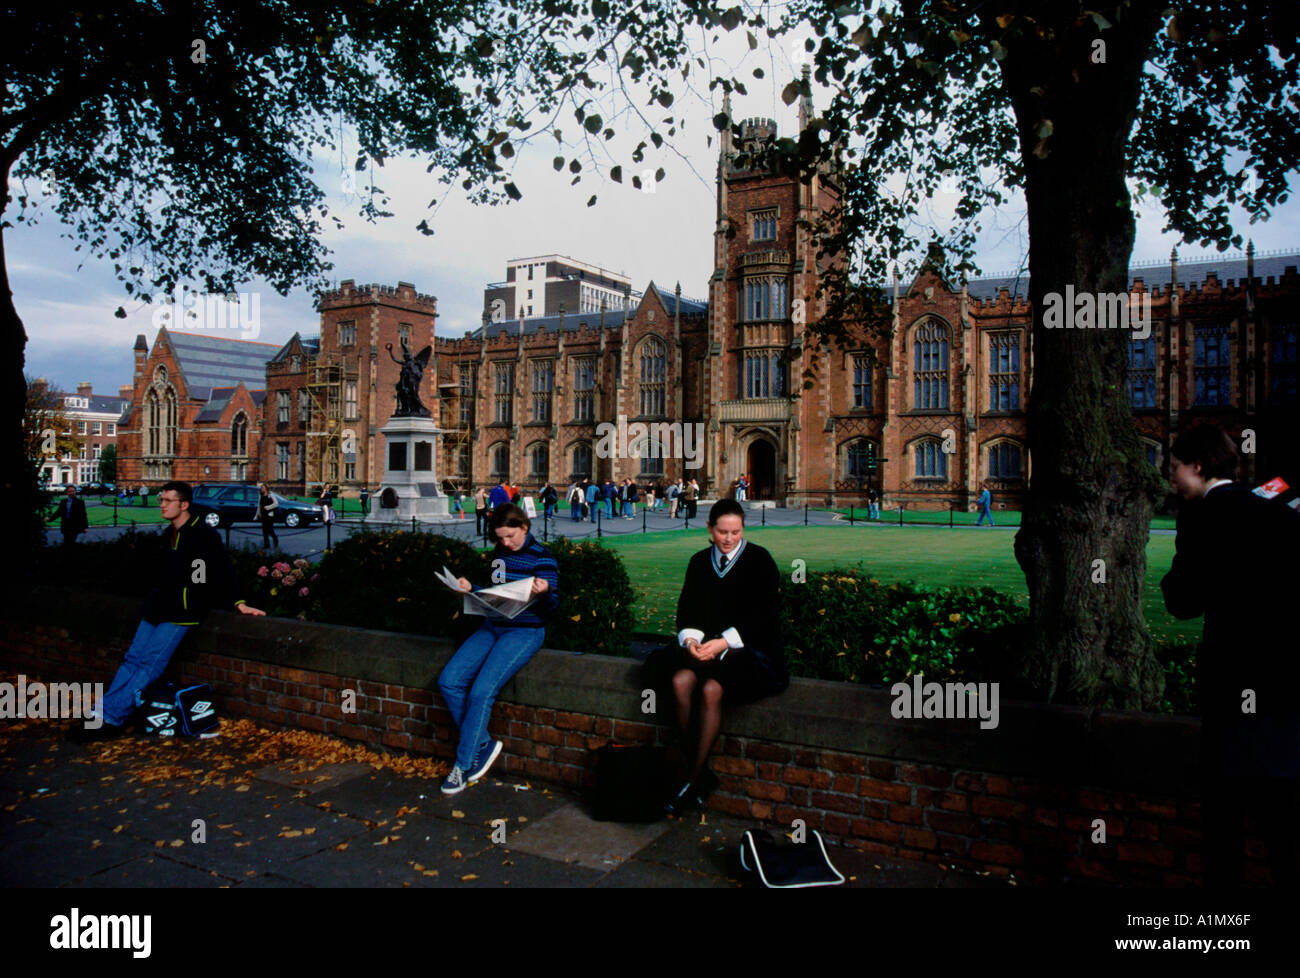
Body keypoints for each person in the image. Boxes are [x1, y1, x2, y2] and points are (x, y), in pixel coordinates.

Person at [1160, 425, 1300, 886]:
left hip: (1232, 687)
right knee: (1282, 821)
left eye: (1174, 468)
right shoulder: (1275, 511)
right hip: (1285, 687)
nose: (1171, 478)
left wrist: (1186, 537)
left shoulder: (1203, 518)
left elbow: (1182, 602)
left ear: (1197, 466)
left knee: (1223, 823)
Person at [68, 481, 266, 743]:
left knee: (149, 666)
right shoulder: (169, 534)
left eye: (166, 500)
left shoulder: (202, 536)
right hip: (156, 608)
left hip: (179, 612)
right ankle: (100, 714)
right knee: (132, 660)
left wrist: (238, 603)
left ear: (183, 504)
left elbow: (217, 573)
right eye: (161, 500)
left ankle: (111, 718)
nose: (161, 504)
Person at [643, 499, 787, 814]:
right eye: (722, 531)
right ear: (710, 529)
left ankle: (690, 776)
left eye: (735, 532)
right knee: (680, 681)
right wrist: (692, 641)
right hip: (706, 648)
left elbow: (765, 617)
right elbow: (688, 610)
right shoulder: (699, 562)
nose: (729, 538)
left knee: (710, 691)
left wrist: (724, 643)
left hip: (749, 650)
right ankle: (696, 769)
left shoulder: (760, 561)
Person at [437, 503, 559, 795]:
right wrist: (471, 588)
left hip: (525, 632)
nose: (505, 543)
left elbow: (552, 607)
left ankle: (463, 765)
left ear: (524, 528)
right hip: (492, 625)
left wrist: (545, 592)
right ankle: (482, 743)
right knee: (449, 681)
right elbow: (498, 592)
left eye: (510, 536)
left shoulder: (543, 557)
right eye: (500, 538)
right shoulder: (500, 555)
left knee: (481, 691)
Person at [257, 483, 279, 549]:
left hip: (269, 515)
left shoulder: (270, 495)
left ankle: (275, 539)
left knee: (269, 529)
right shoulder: (261, 496)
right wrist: (258, 514)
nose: (261, 489)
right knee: (264, 530)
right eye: (261, 488)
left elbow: (276, 504)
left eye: (263, 488)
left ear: (266, 489)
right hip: (263, 515)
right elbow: (259, 506)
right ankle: (267, 544)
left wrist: (268, 507)